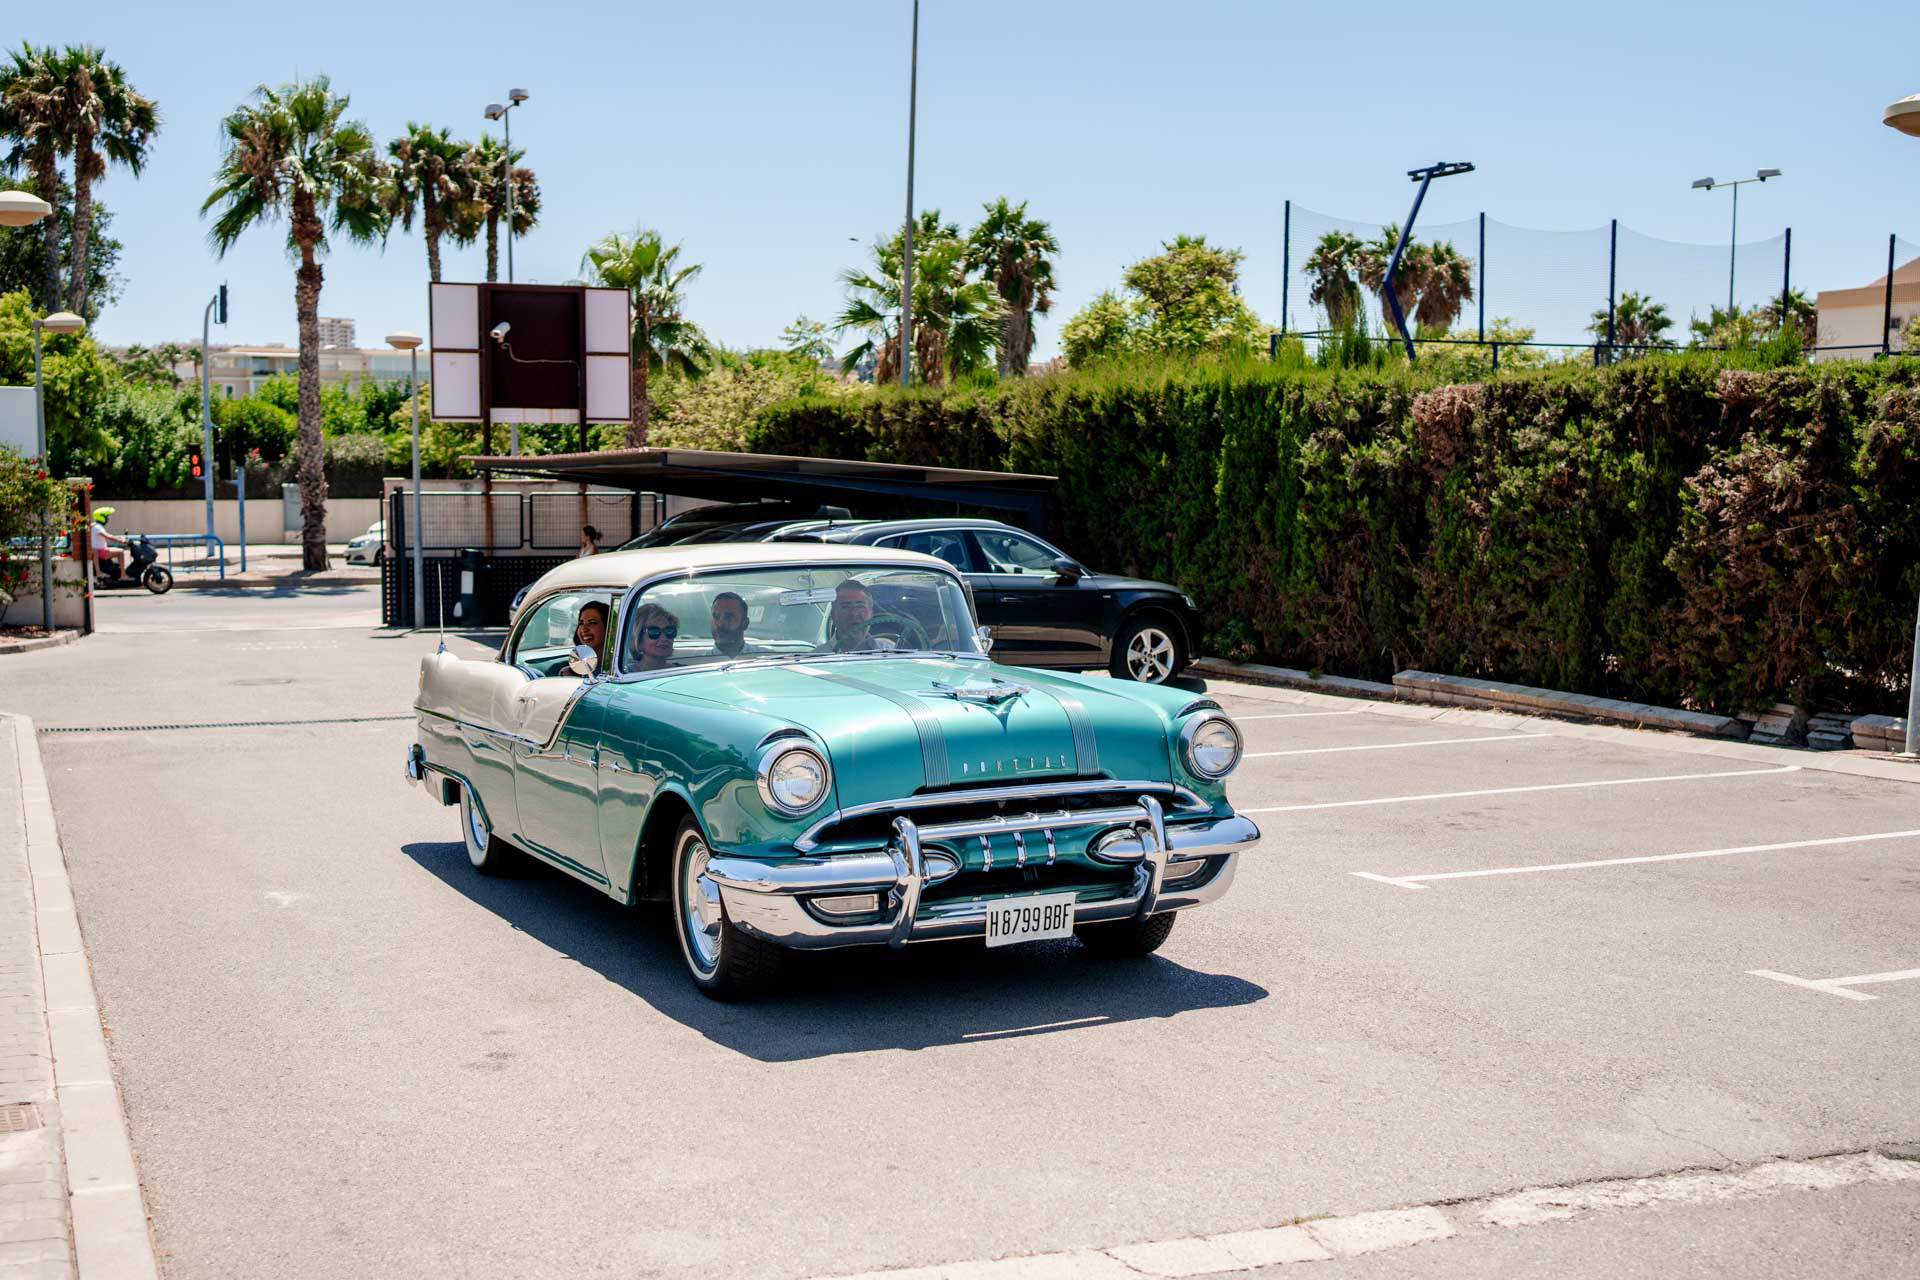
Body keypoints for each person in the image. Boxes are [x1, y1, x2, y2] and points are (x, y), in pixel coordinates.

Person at [826, 579, 896, 654]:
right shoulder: (820, 657)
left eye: (860, 606)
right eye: (845, 607)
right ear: (833, 615)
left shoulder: (891, 653)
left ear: (871, 613)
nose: (854, 613)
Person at [628, 602, 680, 671]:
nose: (664, 638)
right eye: (654, 632)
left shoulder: (685, 671)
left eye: (669, 631)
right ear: (638, 639)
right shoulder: (625, 674)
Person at [709, 591, 755, 659]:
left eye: (728, 617)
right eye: (716, 616)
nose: (720, 624)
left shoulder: (765, 659)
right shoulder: (698, 663)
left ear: (745, 624)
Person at [90, 513, 127, 579]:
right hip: (101, 551)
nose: (107, 519)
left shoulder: (94, 526)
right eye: (106, 517)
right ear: (102, 518)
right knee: (121, 551)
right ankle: (123, 575)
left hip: (97, 550)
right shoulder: (98, 527)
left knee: (115, 548)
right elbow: (108, 536)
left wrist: (118, 538)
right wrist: (121, 540)